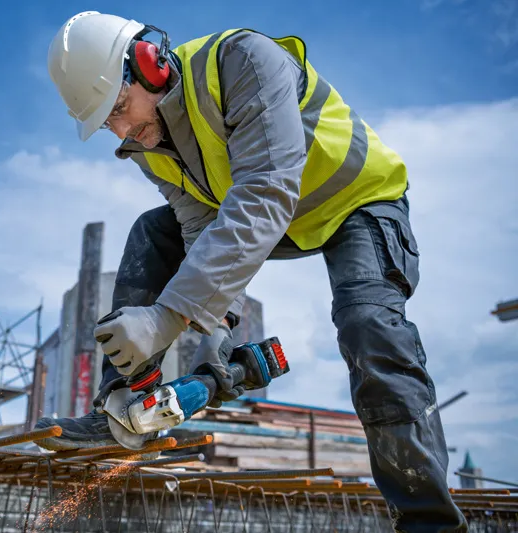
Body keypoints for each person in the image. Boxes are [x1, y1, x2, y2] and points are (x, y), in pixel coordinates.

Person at [35, 11, 468, 531]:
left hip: (357, 200)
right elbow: (201, 222)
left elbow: (264, 192)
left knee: (368, 326)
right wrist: (219, 323)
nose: (122, 129)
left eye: (121, 108)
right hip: (274, 214)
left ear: (149, 66)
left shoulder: (242, 61)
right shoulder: (149, 142)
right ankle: (124, 405)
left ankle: (430, 521)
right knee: (154, 232)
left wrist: (169, 316)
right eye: (107, 121)